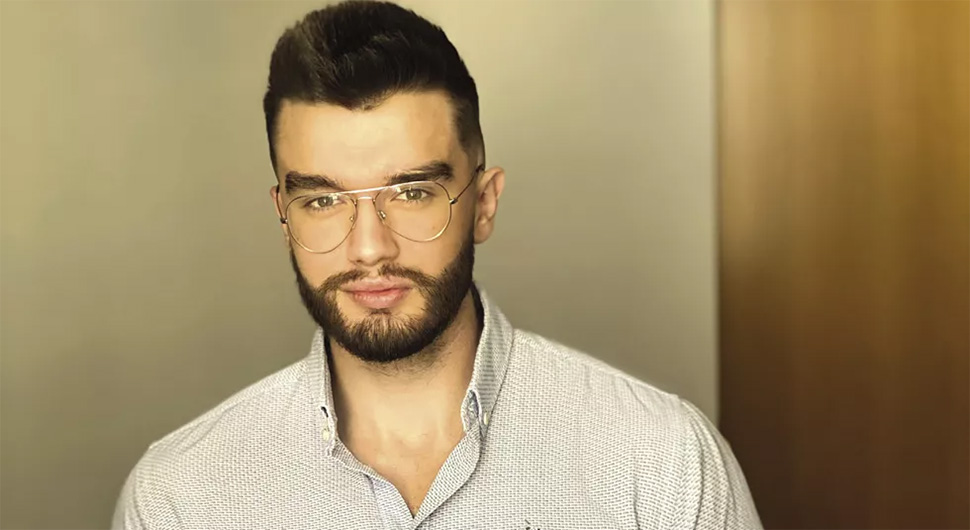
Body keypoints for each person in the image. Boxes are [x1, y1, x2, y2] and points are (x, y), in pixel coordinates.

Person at [112, 1, 761, 528]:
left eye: (413, 193)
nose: (370, 247)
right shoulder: (179, 498)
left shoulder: (665, 464)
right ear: (285, 218)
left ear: (484, 203)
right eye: (324, 201)